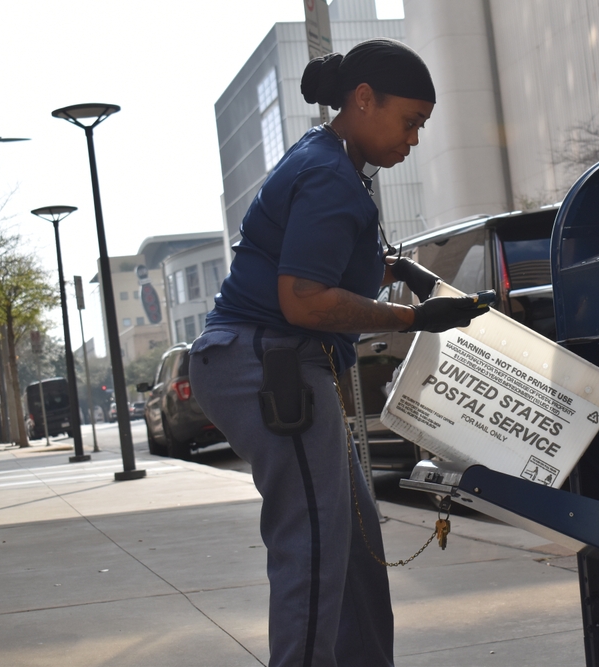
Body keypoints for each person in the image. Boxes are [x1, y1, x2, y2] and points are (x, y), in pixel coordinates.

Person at [190, 39, 489, 667]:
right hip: (268, 363)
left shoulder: (327, 159)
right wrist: (413, 317)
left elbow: (315, 269)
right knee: (316, 542)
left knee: (351, 537)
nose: (414, 139)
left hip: (262, 355)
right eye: (409, 121)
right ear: (362, 99)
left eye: (422, 127)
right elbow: (303, 298)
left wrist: (395, 269)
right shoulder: (330, 174)